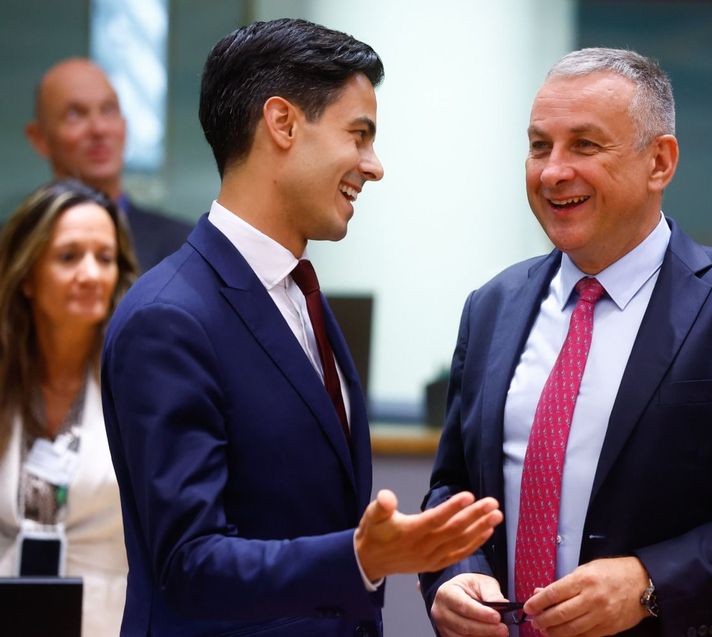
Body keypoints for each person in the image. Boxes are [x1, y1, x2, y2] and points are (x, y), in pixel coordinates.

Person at [421, 48, 712, 637]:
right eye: (538, 146)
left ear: (659, 162)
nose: (553, 171)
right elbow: (453, 486)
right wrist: (454, 572)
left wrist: (652, 582)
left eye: (584, 145)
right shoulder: (491, 306)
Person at [101, 18, 502, 637]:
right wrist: (360, 558)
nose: (374, 166)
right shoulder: (169, 317)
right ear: (283, 123)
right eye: (359, 134)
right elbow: (188, 561)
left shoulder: (300, 294)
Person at [0, 179, 138, 637]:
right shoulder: (6, 380)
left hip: (109, 620)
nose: (91, 274)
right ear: (26, 277)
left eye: (104, 257)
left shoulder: (140, 379)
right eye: (68, 256)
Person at [25, 57, 192, 270]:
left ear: (124, 126)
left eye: (109, 110)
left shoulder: (182, 248)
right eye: (75, 114)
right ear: (39, 138)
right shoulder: (12, 248)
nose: (99, 129)